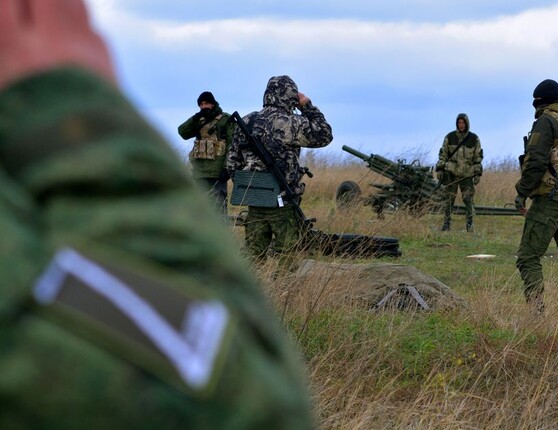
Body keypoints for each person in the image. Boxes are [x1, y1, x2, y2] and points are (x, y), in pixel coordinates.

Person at [0, 1, 314, 428]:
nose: (204, 109)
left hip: (233, 186)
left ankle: (276, 277)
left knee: (252, 240)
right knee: (277, 245)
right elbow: (250, 403)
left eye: (207, 105)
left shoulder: (236, 122)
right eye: (201, 104)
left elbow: (235, 155)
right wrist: (74, 110)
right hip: (243, 189)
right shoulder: (229, 123)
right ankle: (284, 279)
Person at [227, 75, 333, 263]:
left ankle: (252, 291)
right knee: (288, 254)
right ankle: (284, 291)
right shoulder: (291, 122)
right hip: (282, 201)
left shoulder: (247, 121)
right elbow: (324, 135)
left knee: (252, 256)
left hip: (254, 200)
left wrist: (252, 187)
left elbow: (231, 164)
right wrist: (307, 106)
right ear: (291, 96)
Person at [514, 79, 558, 313]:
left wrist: (522, 192)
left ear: (539, 101)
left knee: (528, 257)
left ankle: (536, 313)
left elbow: (535, 161)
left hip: (550, 198)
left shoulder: (546, 121)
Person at [177, 91, 234, 218]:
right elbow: (182, 132)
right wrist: (195, 118)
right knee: (200, 212)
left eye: (207, 103)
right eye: (201, 104)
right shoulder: (198, 120)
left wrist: (227, 168)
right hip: (199, 173)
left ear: (213, 104)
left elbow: (232, 146)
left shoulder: (225, 120)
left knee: (219, 211)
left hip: (217, 174)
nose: (204, 106)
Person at [435, 113, 483, 232]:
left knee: (468, 200)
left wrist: (477, 174)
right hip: (451, 173)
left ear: (467, 124)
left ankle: (470, 225)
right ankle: (446, 225)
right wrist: (440, 169)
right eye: (459, 123)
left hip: (467, 174)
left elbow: (478, 158)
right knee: (449, 200)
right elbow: (443, 155)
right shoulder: (450, 137)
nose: (461, 125)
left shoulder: (474, 139)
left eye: (463, 123)